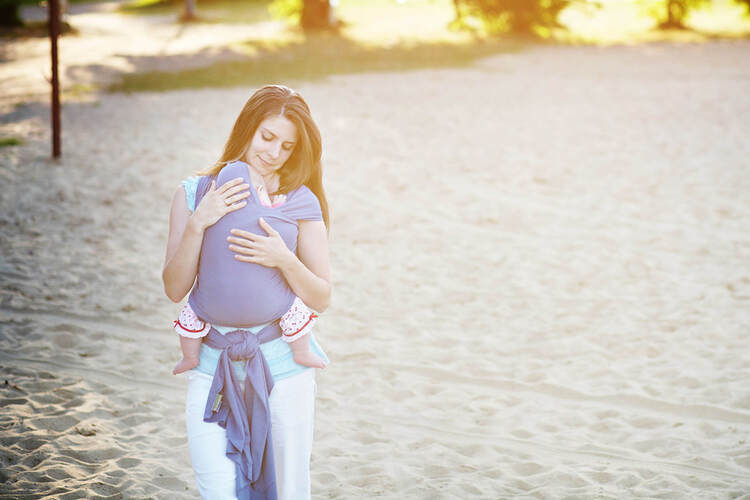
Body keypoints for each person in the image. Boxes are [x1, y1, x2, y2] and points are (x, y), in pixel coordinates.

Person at [162, 85, 331, 500]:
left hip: (284, 369)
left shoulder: (299, 202)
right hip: (210, 367)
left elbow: (321, 296)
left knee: (290, 490)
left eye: (287, 146)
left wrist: (283, 259)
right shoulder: (193, 193)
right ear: (246, 130)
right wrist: (199, 223)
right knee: (217, 489)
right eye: (266, 137)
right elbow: (174, 287)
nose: (273, 153)